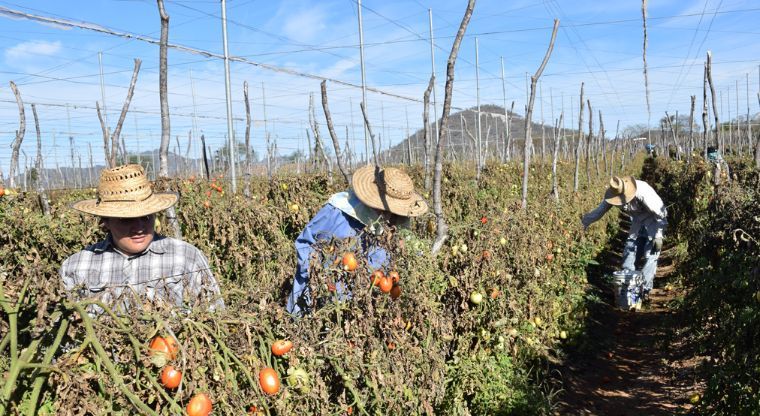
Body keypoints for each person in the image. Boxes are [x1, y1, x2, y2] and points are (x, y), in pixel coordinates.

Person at [60, 164, 224, 312]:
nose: (139, 228)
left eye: (146, 217)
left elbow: (214, 316)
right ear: (106, 221)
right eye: (126, 219)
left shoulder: (186, 257)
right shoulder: (77, 266)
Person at [286, 164, 428, 315]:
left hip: (357, 313)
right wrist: (320, 277)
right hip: (313, 303)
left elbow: (414, 260)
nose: (388, 215)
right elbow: (305, 243)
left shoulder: (397, 225)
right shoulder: (338, 212)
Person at [581, 176, 667, 301]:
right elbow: (599, 211)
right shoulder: (612, 195)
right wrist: (583, 223)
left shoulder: (643, 192)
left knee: (650, 255)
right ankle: (628, 289)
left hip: (653, 221)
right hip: (637, 222)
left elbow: (661, 213)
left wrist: (658, 235)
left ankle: (645, 291)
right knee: (629, 253)